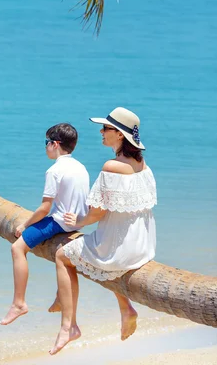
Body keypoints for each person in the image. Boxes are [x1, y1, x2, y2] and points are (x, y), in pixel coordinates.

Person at [49, 107, 157, 355]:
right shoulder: (141, 163)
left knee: (63, 256)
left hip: (120, 248)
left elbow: (96, 214)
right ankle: (125, 308)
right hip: (143, 245)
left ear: (119, 135)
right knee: (99, 256)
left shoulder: (111, 166)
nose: (101, 131)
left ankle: (69, 326)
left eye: (106, 128)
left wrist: (77, 219)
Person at [0, 123, 90, 326]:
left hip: (61, 223)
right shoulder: (80, 167)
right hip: (78, 222)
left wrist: (24, 225)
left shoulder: (54, 170)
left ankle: (19, 303)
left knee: (17, 249)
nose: (45, 147)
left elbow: (44, 209)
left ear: (55, 144)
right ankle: (59, 296)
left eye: (46, 142)